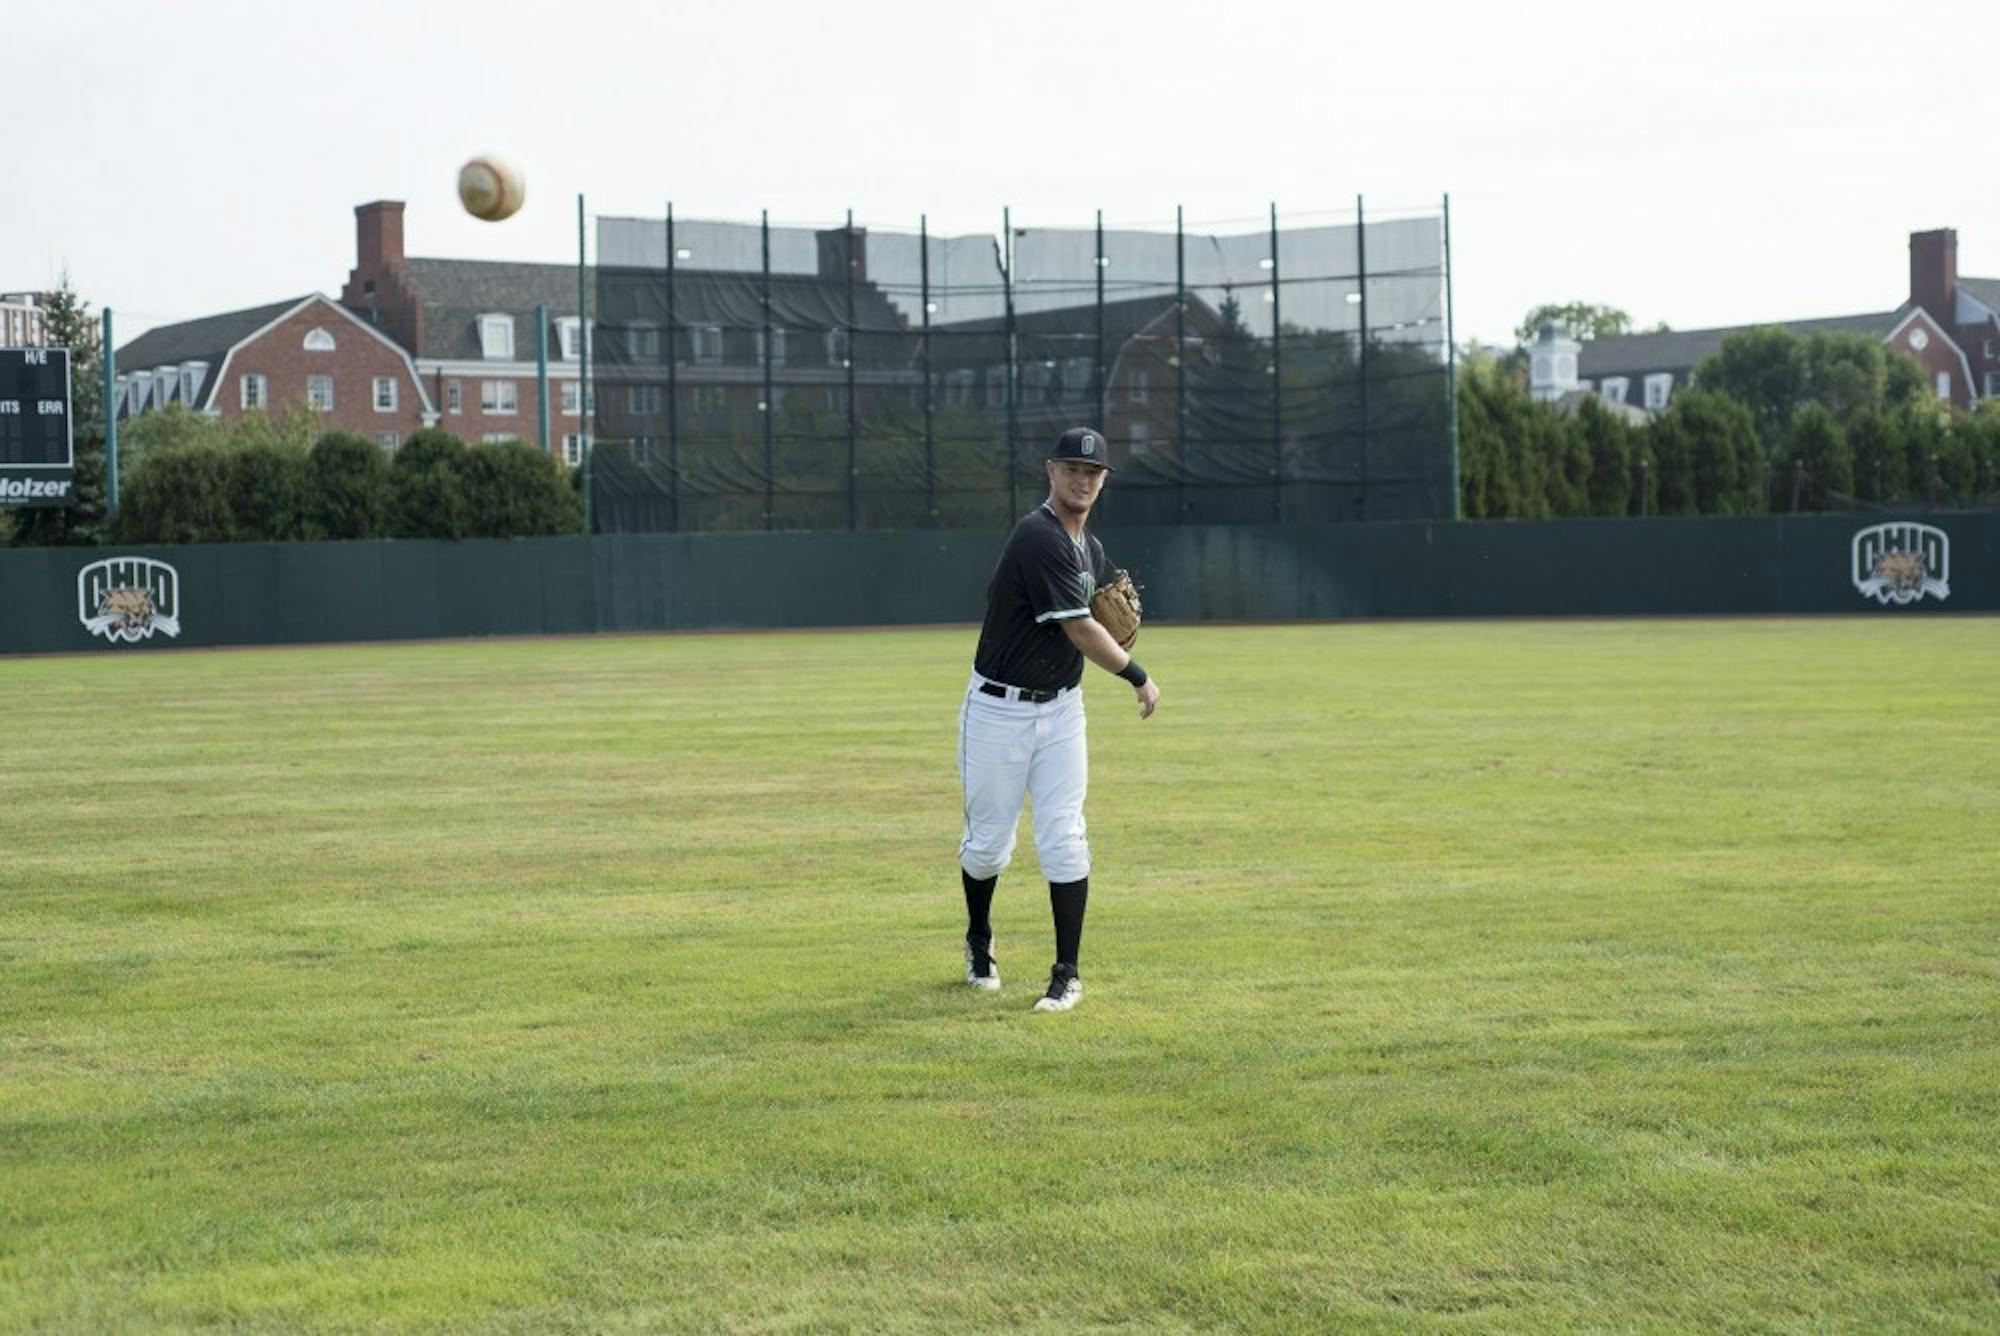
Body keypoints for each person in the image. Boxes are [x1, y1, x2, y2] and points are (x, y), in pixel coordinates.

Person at [956, 426, 1161, 1012]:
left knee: (1065, 836)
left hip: (1062, 710)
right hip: (996, 710)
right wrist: (1137, 674)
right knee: (987, 846)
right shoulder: (1037, 536)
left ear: (1104, 481)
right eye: (1072, 469)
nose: (1082, 480)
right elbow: (1079, 627)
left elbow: (1100, 611)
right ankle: (978, 940)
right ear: (1051, 471)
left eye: (1093, 473)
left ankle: (1066, 974)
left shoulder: (1089, 549)